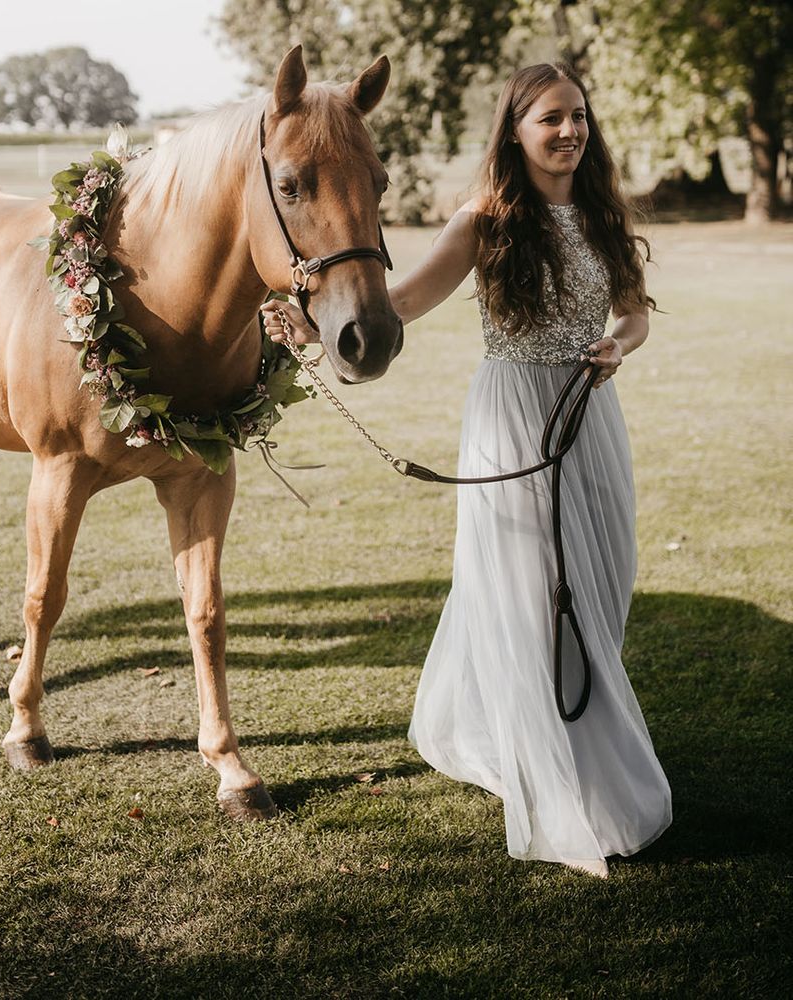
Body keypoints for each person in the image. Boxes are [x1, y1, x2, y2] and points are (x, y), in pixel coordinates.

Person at [261, 63, 672, 877]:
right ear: (515, 130)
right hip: (513, 416)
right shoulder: (484, 221)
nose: (569, 131)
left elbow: (633, 314)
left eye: (578, 116)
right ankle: (562, 772)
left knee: (601, 583)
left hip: (590, 418)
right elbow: (406, 301)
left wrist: (617, 346)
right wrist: (311, 325)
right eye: (550, 118)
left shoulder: (601, 214)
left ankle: (561, 728)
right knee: (532, 592)